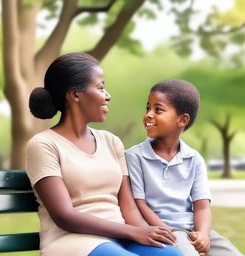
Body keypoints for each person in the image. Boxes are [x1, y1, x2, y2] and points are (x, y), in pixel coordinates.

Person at [26, 53, 184, 256]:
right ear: (75, 95)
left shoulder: (111, 141)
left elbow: (128, 208)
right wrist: (132, 232)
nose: (108, 95)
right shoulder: (43, 145)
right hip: (73, 240)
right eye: (100, 88)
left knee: (172, 254)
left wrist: (145, 232)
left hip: (121, 237)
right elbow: (64, 216)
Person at [125, 79, 244, 256]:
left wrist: (203, 234)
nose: (148, 114)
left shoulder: (194, 159)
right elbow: (140, 205)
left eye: (158, 110)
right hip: (162, 229)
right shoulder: (134, 156)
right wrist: (169, 232)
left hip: (193, 229)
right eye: (147, 108)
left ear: (182, 120)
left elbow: (202, 206)